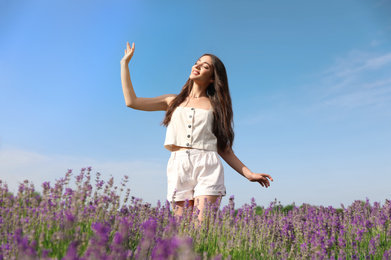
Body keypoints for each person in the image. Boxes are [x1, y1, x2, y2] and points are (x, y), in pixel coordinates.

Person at [120, 42, 273, 219]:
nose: (198, 66)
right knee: (182, 229)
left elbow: (224, 148)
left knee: (201, 230)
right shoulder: (172, 101)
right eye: (197, 62)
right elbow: (132, 101)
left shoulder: (216, 107)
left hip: (208, 165)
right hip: (179, 165)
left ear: (212, 78)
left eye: (205, 66)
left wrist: (249, 174)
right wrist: (125, 64)